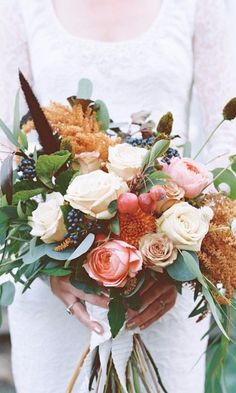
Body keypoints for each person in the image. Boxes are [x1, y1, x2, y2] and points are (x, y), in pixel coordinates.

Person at [0, 1, 235, 392]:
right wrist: (49, 266)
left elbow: (226, 138)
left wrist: (181, 249)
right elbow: (4, 142)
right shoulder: (20, 7)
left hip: (164, 286)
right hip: (55, 287)